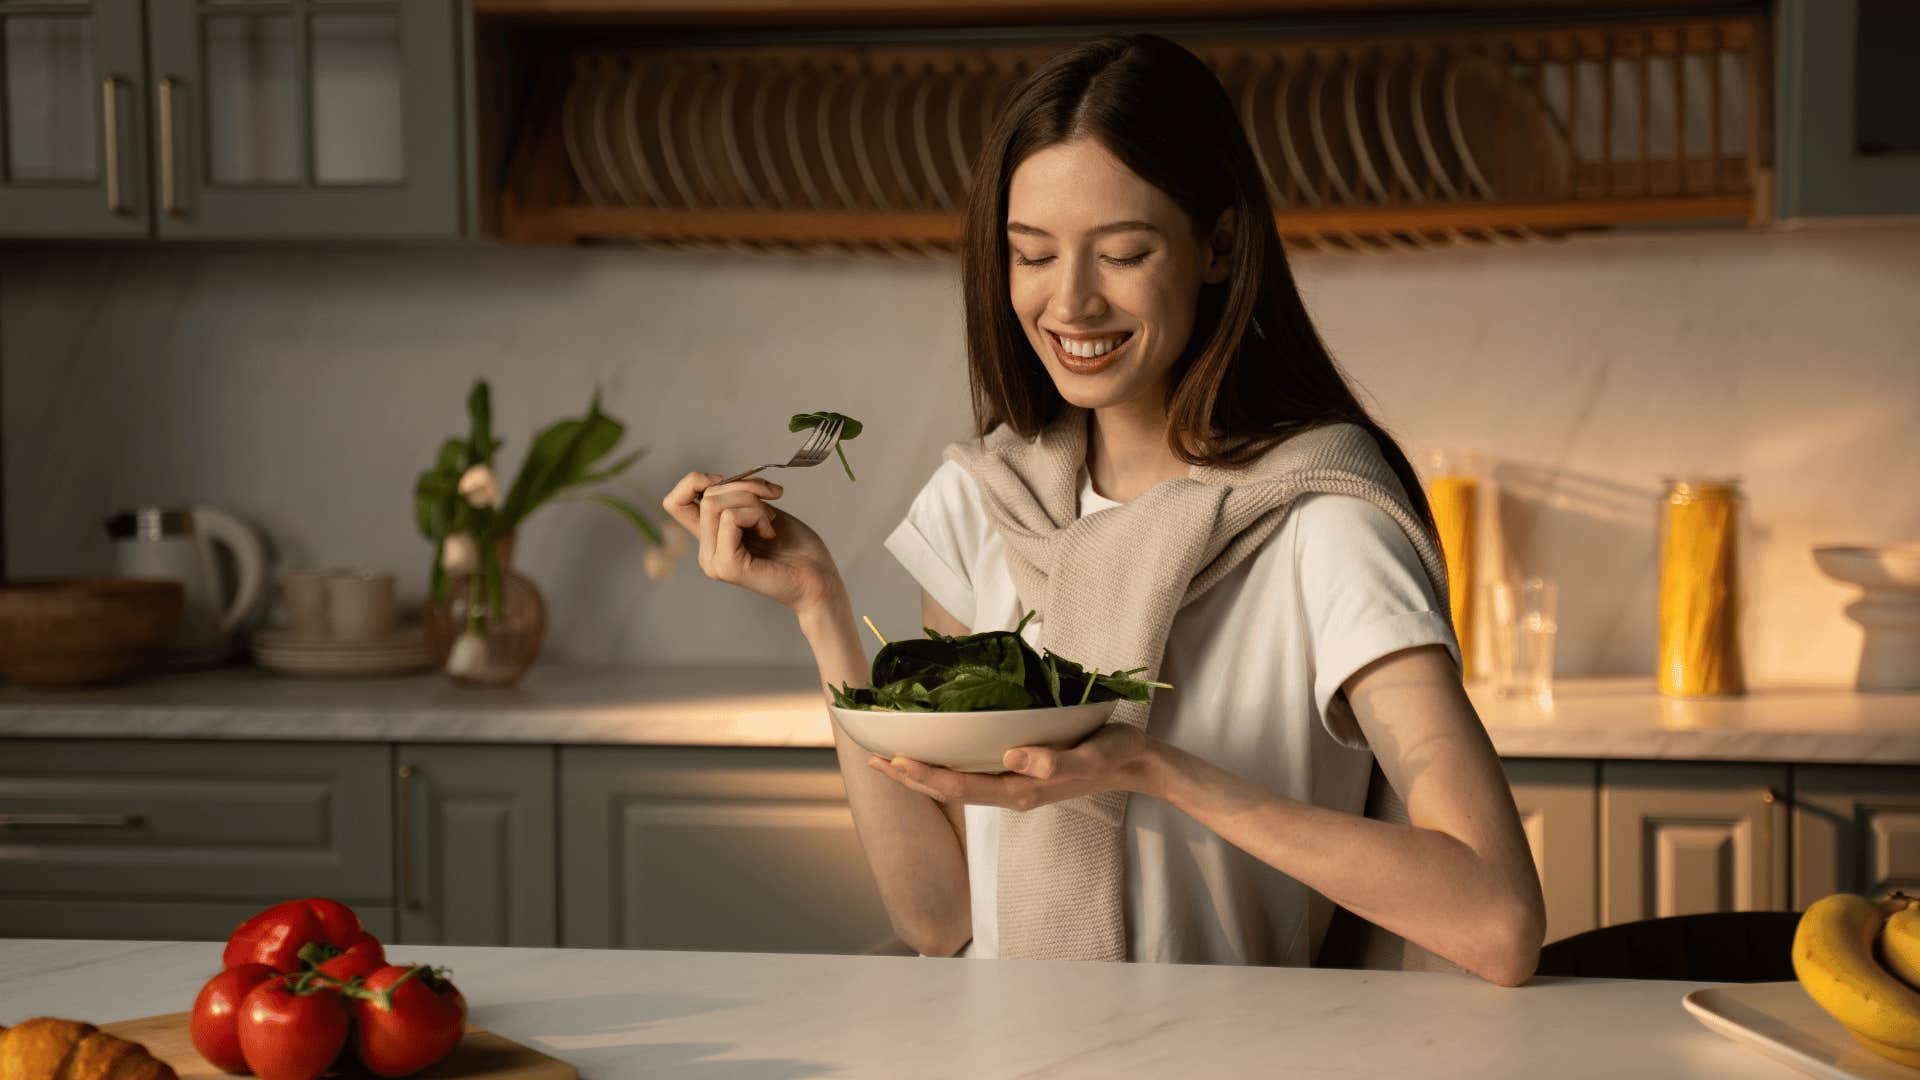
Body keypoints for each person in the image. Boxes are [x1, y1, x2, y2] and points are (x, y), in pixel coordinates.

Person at [663, 33, 1544, 985]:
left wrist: (1150, 766)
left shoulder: (1323, 519)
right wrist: (820, 607)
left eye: (1123, 253)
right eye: (1032, 255)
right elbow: (939, 917)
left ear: (1220, 246)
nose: (1071, 302)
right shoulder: (982, 501)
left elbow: (1496, 917)